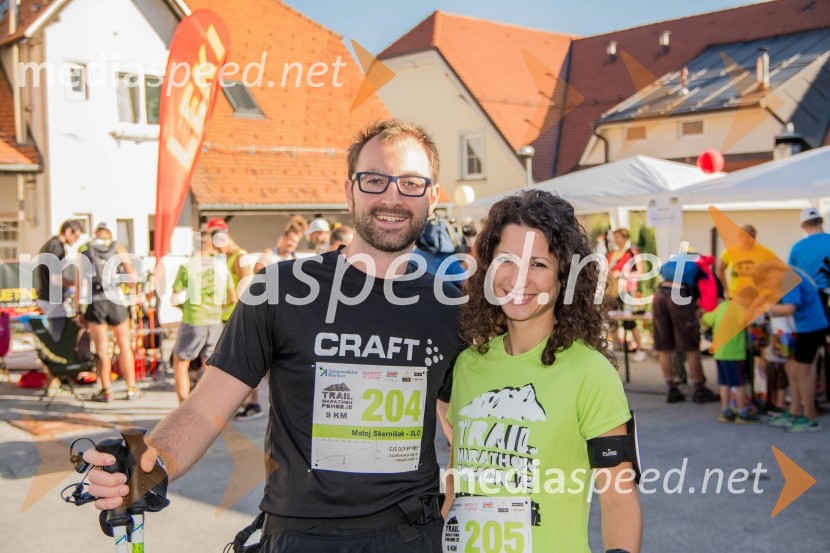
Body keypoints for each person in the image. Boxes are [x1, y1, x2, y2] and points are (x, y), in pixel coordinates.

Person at [84, 119, 462, 552]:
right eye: (375, 180)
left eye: (411, 183)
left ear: (432, 197)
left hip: (411, 535)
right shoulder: (282, 290)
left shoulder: (450, 308)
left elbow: (464, 431)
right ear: (349, 191)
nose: (391, 197)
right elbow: (206, 408)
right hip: (301, 536)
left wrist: (461, 511)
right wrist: (151, 464)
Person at [444, 189, 641, 553]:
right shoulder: (468, 364)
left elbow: (618, 498)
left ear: (563, 277)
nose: (519, 278)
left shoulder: (590, 372)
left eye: (538, 264)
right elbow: (457, 484)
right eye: (506, 260)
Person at [753, 261, 827, 432]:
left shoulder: (787, 278)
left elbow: (789, 308)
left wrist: (765, 308)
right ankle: (795, 411)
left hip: (810, 328)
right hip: (802, 328)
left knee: (803, 373)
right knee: (791, 368)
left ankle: (810, 417)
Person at [76, 222, 138, 402]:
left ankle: (106, 390)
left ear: (95, 233)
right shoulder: (118, 247)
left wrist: (79, 310)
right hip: (116, 301)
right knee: (124, 345)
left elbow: (80, 282)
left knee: (102, 349)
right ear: (110, 234)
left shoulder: (84, 248)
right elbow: (132, 278)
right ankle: (131, 388)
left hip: (96, 302)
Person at [170, 231, 233, 404]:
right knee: (210, 365)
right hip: (215, 320)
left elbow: (174, 297)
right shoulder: (221, 267)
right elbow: (233, 298)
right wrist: (217, 308)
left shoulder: (188, 266)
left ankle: (183, 405)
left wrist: (184, 308)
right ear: (211, 246)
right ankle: (209, 404)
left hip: (194, 319)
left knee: (181, 362)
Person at [653, 251, 719, 404]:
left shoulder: (675, 263)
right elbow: (707, 289)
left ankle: (672, 389)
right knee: (691, 346)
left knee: (664, 347)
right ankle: (699, 389)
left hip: (660, 294)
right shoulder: (700, 265)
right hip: (679, 296)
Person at [701, 287, 760, 423]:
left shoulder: (723, 306)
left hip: (719, 353)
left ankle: (726, 410)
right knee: (739, 384)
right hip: (734, 354)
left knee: (724, 383)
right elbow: (745, 321)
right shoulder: (739, 309)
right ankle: (742, 411)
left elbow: (707, 318)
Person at [35, 219, 83, 338]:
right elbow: (56, 279)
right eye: (76, 236)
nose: (76, 240)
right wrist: (76, 284)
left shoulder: (51, 244)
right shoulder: (57, 248)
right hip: (52, 299)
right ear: (68, 231)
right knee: (60, 337)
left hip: (47, 296)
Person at [606, 228, 646, 362]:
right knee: (611, 318)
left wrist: (621, 274)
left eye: (618, 237)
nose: (615, 240)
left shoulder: (631, 252)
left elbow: (639, 272)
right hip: (613, 290)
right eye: (614, 237)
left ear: (624, 238)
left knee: (629, 320)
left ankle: (640, 349)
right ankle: (618, 346)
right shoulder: (613, 253)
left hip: (626, 290)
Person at [716, 224, 776, 299]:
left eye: (753, 237)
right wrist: (725, 289)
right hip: (736, 295)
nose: (750, 240)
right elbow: (720, 269)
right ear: (740, 237)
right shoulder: (729, 252)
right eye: (747, 237)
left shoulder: (764, 252)